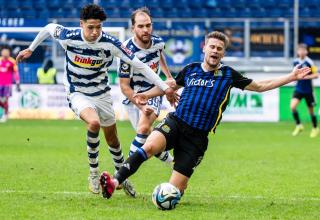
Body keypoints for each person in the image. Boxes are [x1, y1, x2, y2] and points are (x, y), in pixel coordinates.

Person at [99, 31, 311, 202]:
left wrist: (291, 77)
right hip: (176, 122)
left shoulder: (229, 75)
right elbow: (169, 87)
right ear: (204, 48)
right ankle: (114, 183)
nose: (215, 51)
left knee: (175, 191)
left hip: (197, 138)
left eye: (220, 49)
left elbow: (261, 86)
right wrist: (145, 94)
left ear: (223, 53)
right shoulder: (190, 69)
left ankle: (176, 188)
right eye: (212, 47)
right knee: (149, 146)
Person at [16, 4, 174, 196]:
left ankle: (122, 177)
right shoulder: (69, 36)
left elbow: (141, 66)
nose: (95, 32)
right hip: (78, 92)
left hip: (102, 94)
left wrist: (165, 88)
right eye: (90, 27)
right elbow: (49, 28)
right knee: (93, 123)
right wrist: (31, 48)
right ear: (81, 24)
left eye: (99, 27)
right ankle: (93, 173)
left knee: (113, 140)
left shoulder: (111, 43)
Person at [118, 7, 174, 165]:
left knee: (142, 129)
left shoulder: (158, 43)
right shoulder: (126, 51)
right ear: (133, 28)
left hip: (153, 91)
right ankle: (174, 163)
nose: (145, 29)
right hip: (133, 95)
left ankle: (123, 173)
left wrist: (168, 76)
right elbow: (124, 86)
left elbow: (160, 55)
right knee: (147, 138)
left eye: (148, 25)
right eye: (141, 26)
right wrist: (140, 105)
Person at [290, 43, 319, 138]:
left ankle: (315, 128)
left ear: (306, 51)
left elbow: (316, 75)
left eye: (303, 50)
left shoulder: (310, 62)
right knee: (292, 106)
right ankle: (299, 125)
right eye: (300, 50)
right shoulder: (295, 62)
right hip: (298, 89)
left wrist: (306, 77)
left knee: (311, 111)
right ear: (298, 52)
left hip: (308, 91)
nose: (302, 52)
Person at [0, 46, 20, 122]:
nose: (5, 53)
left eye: (6, 52)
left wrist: (17, 83)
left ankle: (5, 115)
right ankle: (5, 112)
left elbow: (16, 72)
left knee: (5, 100)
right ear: (1, 52)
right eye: (3, 51)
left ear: (9, 53)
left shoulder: (12, 61)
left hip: (7, 84)